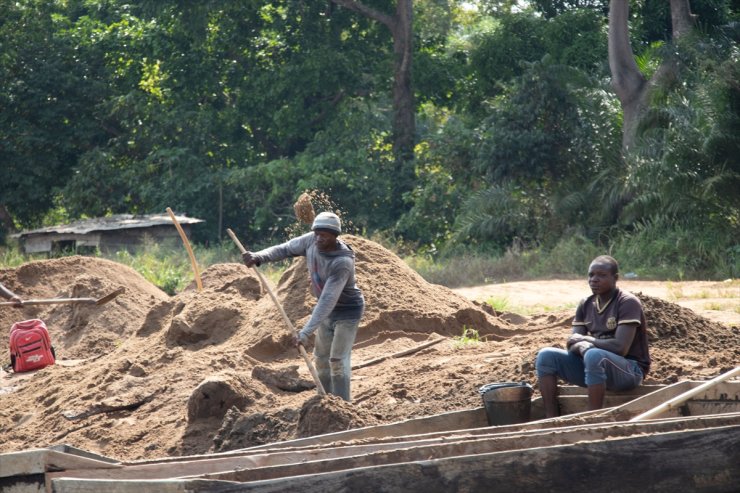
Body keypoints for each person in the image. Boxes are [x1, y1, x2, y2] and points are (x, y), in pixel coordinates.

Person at [242, 211, 364, 401]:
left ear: (334, 236)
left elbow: (327, 300)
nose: (319, 238)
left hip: (347, 311)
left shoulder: (342, 262)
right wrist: (259, 256)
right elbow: (285, 249)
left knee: (337, 361)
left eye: (324, 235)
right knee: (321, 359)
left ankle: (343, 405)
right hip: (327, 312)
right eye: (317, 233)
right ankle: (324, 400)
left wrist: (305, 332)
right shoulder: (311, 241)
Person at [535, 255, 650, 417]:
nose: (594, 280)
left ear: (615, 278)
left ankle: (592, 417)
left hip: (630, 371)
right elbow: (572, 342)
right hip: (596, 368)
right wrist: (581, 345)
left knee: (593, 354)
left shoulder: (627, 302)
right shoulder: (586, 303)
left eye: (602, 275)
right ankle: (551, 417)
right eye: (591, 275)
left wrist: (587, 340)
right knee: (545, 356)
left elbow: (620, 348)